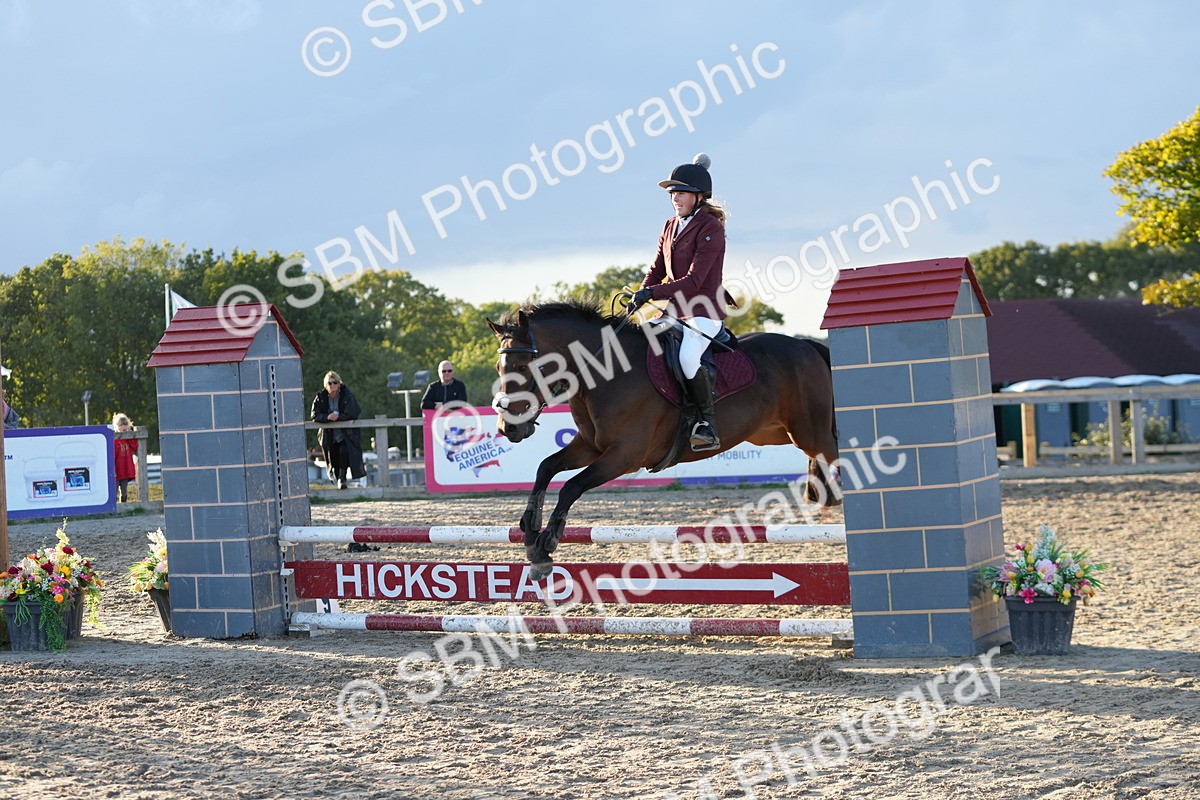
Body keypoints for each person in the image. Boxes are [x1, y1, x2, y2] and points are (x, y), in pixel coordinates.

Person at [630, 152, 735, 452]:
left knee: (688, 357)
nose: (675, 198)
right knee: (641, 340)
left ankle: (706, 423)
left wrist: (652, 294)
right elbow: (657, 270)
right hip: (675, 311)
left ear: (699, 196)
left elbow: (694, 281)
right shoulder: (669, 226)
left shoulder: (710, 228)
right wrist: (641, 293)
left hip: (704, 310)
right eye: (672, 193)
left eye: (681, 193)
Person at [310, 371, 366, 490]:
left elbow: (354, 411)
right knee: (333, 456)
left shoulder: (347, 395)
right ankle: (338, 477)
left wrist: (339, 416)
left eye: (335, 382)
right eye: (329, 383)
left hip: (346, 433)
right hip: (329, 434)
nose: (332, 385)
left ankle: (342, 478)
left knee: (344, 451)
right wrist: (327, 417)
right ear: (326, 384)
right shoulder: (320, 397)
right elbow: (315, 415)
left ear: (339, 383)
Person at [112, 412, 138, 502]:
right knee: (114, 489)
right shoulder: (114, 439)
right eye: (121, 425)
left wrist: (130, 437)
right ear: (116, 426)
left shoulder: (129, 438)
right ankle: (114, 507)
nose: (123, 427)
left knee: (124, 489)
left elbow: (135, 447)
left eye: (125, 424)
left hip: (126, 468)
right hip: (116, 469)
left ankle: (124, 504)